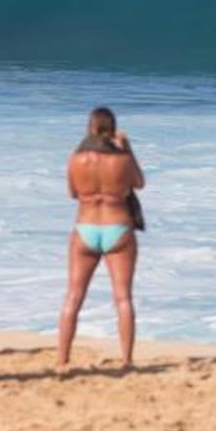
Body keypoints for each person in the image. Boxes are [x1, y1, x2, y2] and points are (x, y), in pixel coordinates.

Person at [59, 107, 145, 370]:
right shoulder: (122, 160)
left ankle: (62, 359)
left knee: (73, 296)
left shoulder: (75, 159)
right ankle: (127, 360)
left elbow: (73, 193)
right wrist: (127, 149)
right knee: (123, 298)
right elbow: (139, 183)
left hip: (85, 227)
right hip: (117, 226)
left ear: (90, 127)